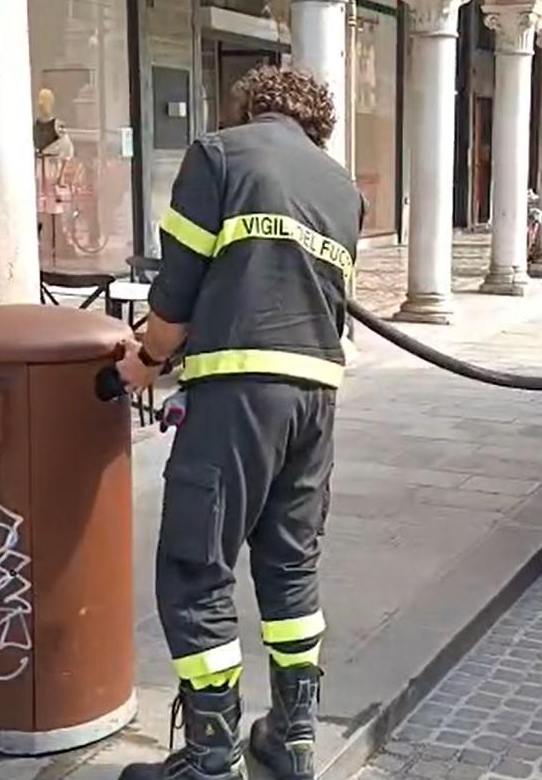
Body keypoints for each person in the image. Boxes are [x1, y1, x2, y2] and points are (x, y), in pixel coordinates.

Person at [115, 64, 364, 780]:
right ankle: (291, 736)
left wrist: (146, 357)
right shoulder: (342, 190)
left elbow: (176, 293)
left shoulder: (218, 155)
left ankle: (209, 756)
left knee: (196, 567)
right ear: (315, 124)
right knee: (289, 565)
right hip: (315, 397)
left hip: (236, 395)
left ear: (252, 105)